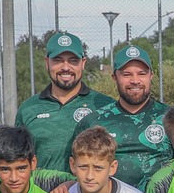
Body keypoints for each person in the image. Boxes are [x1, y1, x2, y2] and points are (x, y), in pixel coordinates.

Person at [18, 31, 112, 170]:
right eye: (58, 60)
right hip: (43, 191)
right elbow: (17, 161)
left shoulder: (105, 105)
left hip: (89, 191)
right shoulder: (28, 109)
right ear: (47, 62)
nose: (66, 67)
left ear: (83, 63)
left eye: (73, 61)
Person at [87, 43, 173, 188]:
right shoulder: (94, 122)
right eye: (126, 74)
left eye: (142, 73)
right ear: (114, 77)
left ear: (151, 75)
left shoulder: (171, 118)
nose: (135, 80)